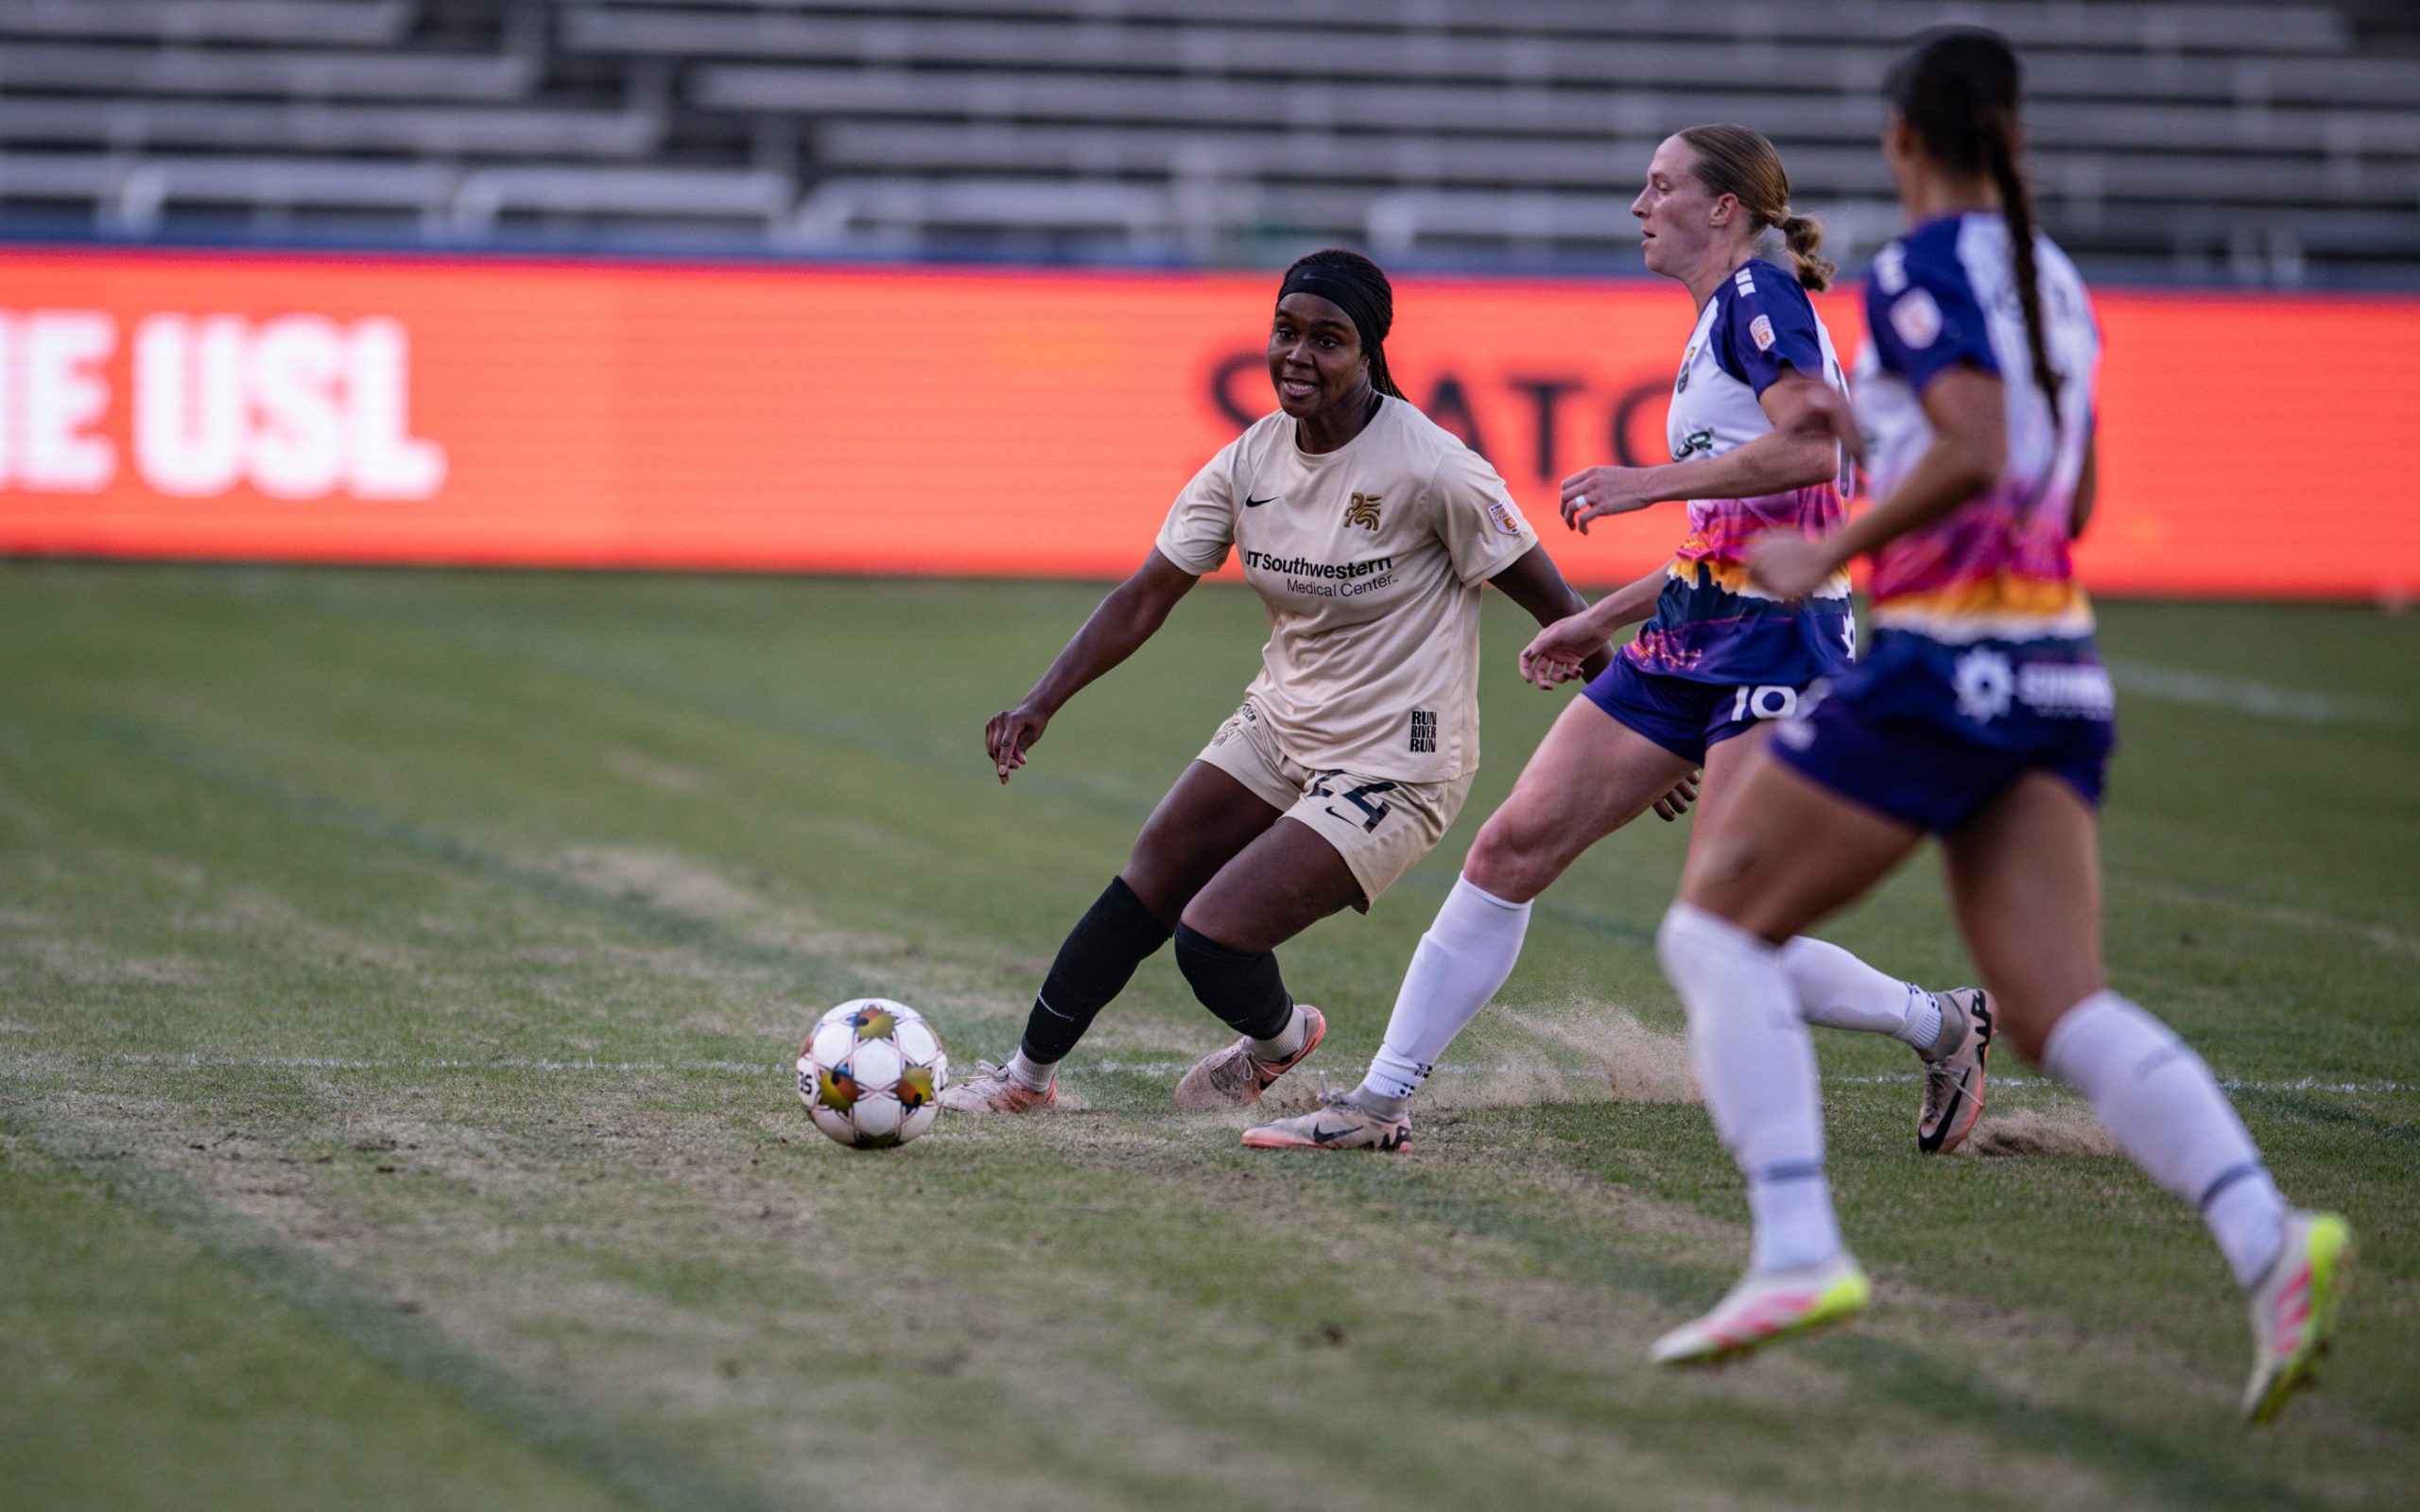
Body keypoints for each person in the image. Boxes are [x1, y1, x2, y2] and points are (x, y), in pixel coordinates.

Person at [1644, 30, 2351, 1425]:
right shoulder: (2058, 284)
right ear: (2012, 137)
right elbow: (2067, 494)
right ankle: (2273, 1247)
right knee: (2052, 1006)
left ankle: (1796, 1248)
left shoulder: (1913, 275)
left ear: (1905, 140)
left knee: (1712, 930)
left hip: (1948, 666)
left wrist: (1828, 541)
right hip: (2059, 670)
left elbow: (1967, 450)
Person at [1244, 125, 1990, 1157]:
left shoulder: (1759, 299)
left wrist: (1647, 481)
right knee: (1510, 848)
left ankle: (1941, 1023)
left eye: (1658, 187)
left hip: (1777, 644)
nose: (1639, 207)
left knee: (1723, 929)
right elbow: (1736, 530)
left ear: (1721, 207)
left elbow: (1817, 453)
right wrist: (1595, 618)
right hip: (1693, 630)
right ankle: (1377, 1101)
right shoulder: (1715, 321)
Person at [943, 249, 1632, 1115]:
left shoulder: (1435, 467)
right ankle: (1025, 1082)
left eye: (1327, 340)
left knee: (1211, 939)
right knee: (1149, 877)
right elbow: (1146, 594)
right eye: (1285, 332)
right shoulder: (1249, 462)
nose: (1298, 356)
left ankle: (1279, 1036)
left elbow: (1562, 607)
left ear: (1369, 352)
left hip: (1397, 757)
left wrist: (1639, 725)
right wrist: (1042, 700)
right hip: (1281, 723)